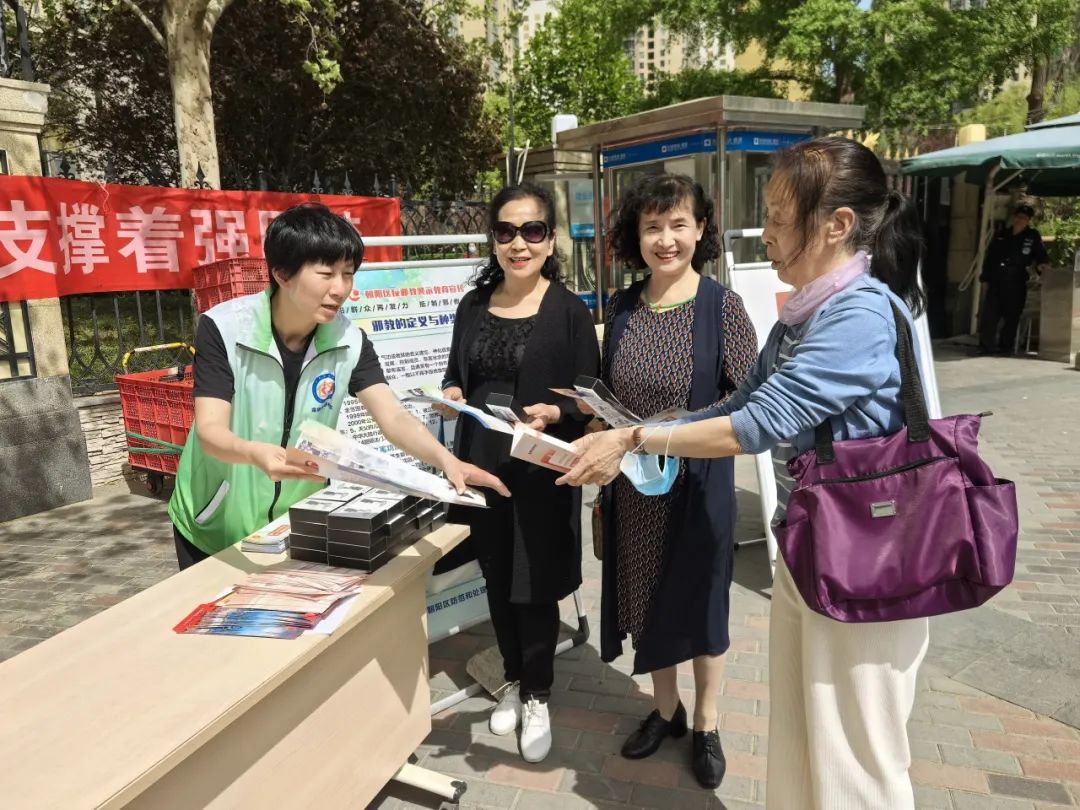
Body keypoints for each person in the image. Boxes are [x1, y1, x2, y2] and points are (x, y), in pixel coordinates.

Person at [559, 137, 931, 809]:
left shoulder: (860, 313)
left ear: (837, 224)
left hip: (869, 560)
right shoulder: (804, 314)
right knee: (805, 735)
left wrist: (636, 436)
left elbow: (758, 422)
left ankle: (704, 722)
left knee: (856, 760)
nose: (768, 233)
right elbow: (738, 404)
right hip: (813, 545)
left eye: (780, 216)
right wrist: (623, 436)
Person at [168, 203, 507, 570]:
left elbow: (393, 417)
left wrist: (448, 461)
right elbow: (211, 430)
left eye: (348, 274)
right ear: (282, 274)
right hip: (213, 523)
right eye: (326, 274)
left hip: (291, 526)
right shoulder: (224, 329)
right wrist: (254, 453)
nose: (340, 289)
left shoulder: (349, 340)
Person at [587, 174, 757, 789]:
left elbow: (747, 400)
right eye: (652, 227)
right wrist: (587, 414)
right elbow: (608, 388)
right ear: (636, 236)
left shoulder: (721, 307)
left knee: (704, 604)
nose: (666, 239)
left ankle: (707, 723)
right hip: (635, 488)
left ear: (701, 229)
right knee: (647, 598)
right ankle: (666, 710)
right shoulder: (621, 307)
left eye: (678, 224)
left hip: (699, 484)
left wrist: (670, 429)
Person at [435, 183, 599, 763]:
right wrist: (451, 395)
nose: (519, 244)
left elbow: (590, 397)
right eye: (506, 232)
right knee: (498, 579)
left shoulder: (569, 310)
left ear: (549, 240)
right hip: (481, 463)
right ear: (494, 241)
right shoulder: (473, 305)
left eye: (532, 231)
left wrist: (557, 412)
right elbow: (458, 376)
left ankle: (538, 694)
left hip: (539, 468)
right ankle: (510, 679)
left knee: (535, 584)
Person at [978, 203, 1050, 355]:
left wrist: (1042, 267)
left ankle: (1005, 347)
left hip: (1016, 282)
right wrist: (985, 279)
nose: (1019, 220)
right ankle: (986, 346)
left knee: (1012, 317)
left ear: (1028, 220)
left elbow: (1041, 256)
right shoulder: (1002, 234)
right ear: (1013, 217)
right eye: (1018, 217)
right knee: (990, 315)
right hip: (997, 281)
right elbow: (990, 258)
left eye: (1024, 218)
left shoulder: (1032, 236)